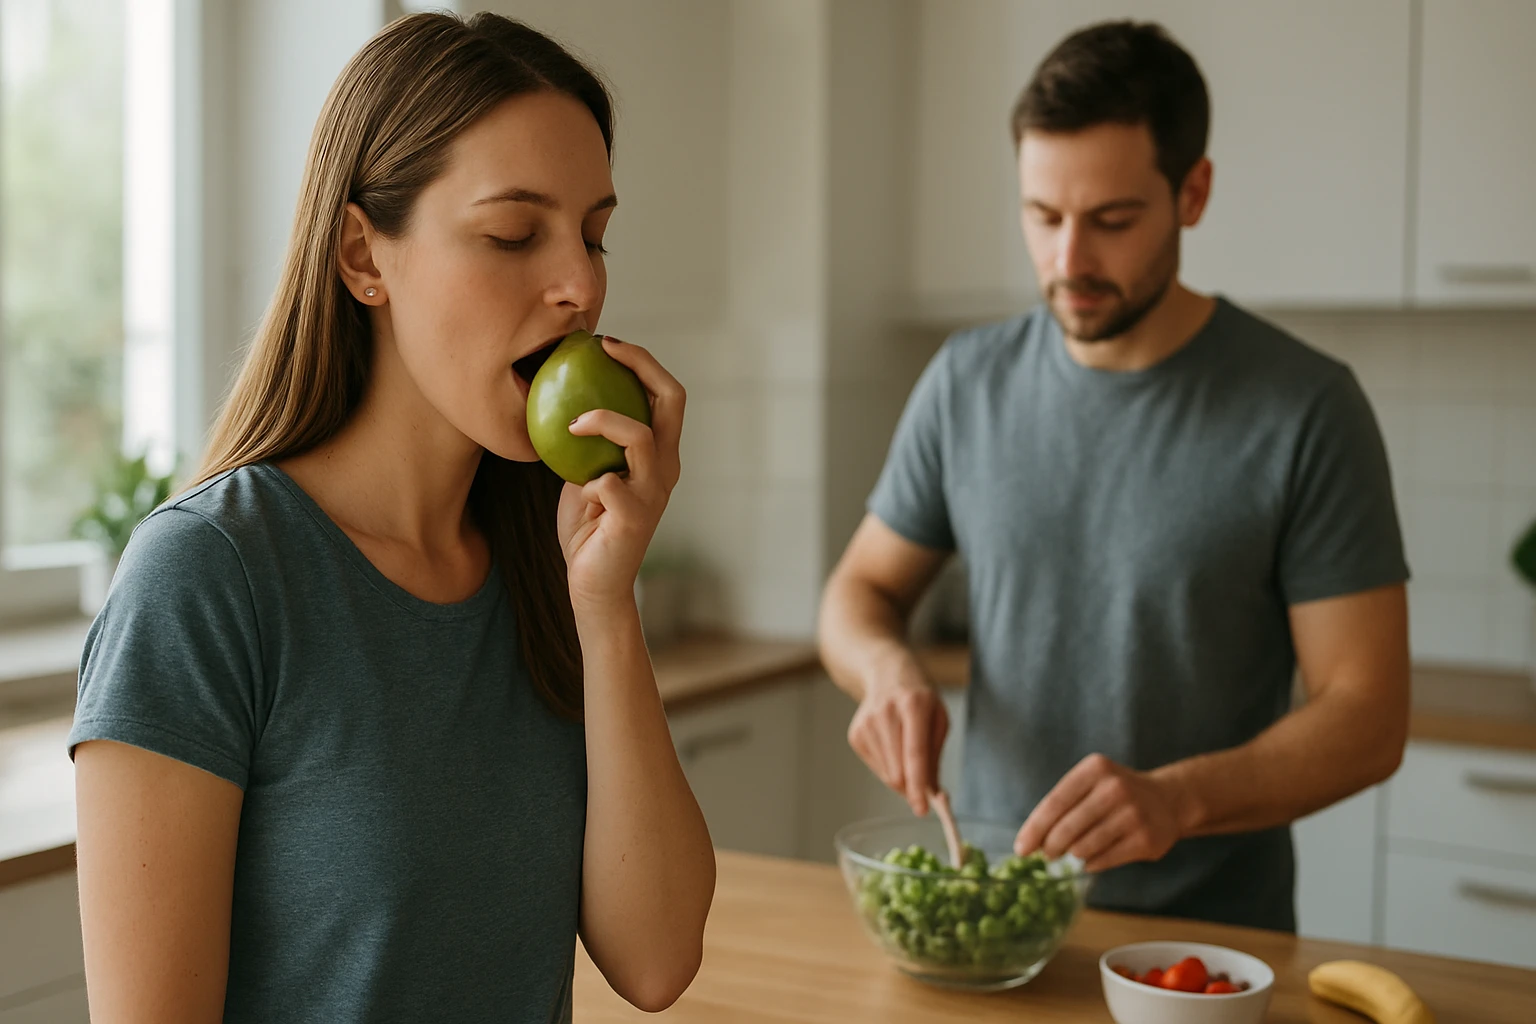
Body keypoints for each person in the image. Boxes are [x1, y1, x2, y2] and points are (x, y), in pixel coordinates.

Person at [69, 13, 714, 1022]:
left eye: (593, 235)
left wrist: (607, 600)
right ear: (364, 255)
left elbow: (659, 957)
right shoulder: (206, 579)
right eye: (513, 233)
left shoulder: (547, 564)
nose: (581, 286)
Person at [818, 20, 1411, 932]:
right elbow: (856, 592)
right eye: (1043, 216)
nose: (1068, 263)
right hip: (998, 922)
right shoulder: (966, 383)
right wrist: (887, 670)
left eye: (1112, 221)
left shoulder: (1306, 409)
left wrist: (1179, 799)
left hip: (1209, 944)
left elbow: (1368, 716)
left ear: (1194, 192)